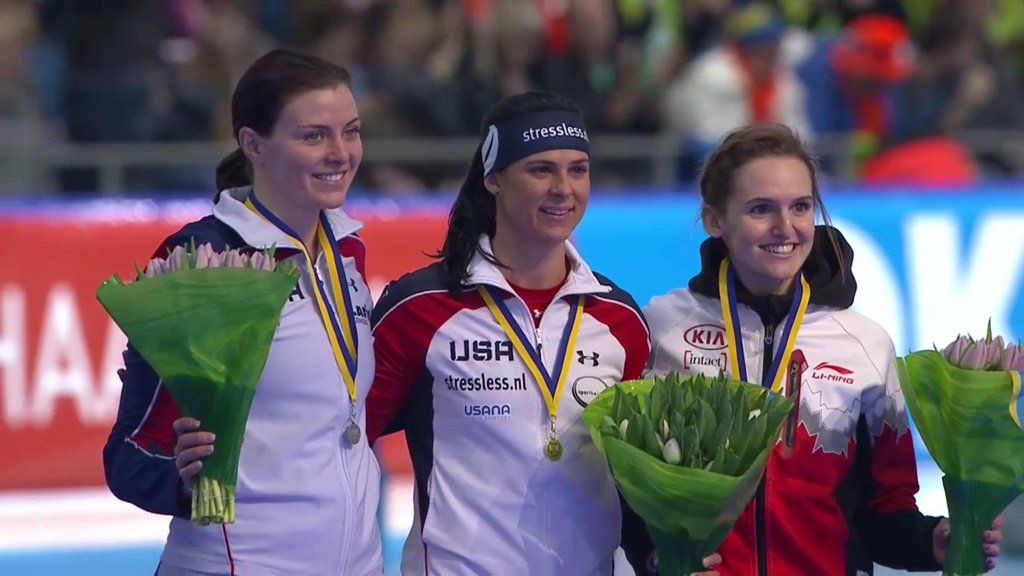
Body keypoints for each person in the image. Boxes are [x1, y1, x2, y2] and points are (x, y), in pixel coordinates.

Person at [365, 91, 718, 575]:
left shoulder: (619, 320)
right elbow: (343, 434)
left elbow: (632, 482)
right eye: (540, 170)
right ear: (493, 180)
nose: (564, 188)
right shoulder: (423, 307)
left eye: (578, 169)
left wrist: (663, 554)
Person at [637, 123, 1003, 574]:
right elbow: (628, 493)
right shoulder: (664, 325)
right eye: (760, 209)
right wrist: (655, 561)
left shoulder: (863, 344)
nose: (784, 227)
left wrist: (932, 542)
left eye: (800, 207)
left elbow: (884, 509)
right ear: (715, 220)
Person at [103, 48, 383, 575]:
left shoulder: (346, 250)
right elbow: (130, 453)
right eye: (314, 135)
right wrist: (183, 477)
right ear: (253, 144)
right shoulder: (206, 263)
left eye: (351, 130)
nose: (341, 152)